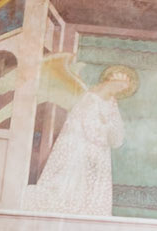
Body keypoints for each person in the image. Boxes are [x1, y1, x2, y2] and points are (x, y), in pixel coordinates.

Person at [27, 62, 139, 217]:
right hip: (80, 147)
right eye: (120, 86)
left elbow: (117, 133)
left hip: (98, 150)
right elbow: (86, 126)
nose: (121, 90)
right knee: (70, 185)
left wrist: (107, 127)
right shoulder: (91, 97)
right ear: (110, 81)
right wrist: (104, 128)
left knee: (92, 190)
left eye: (123, 88)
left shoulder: (112, 102)